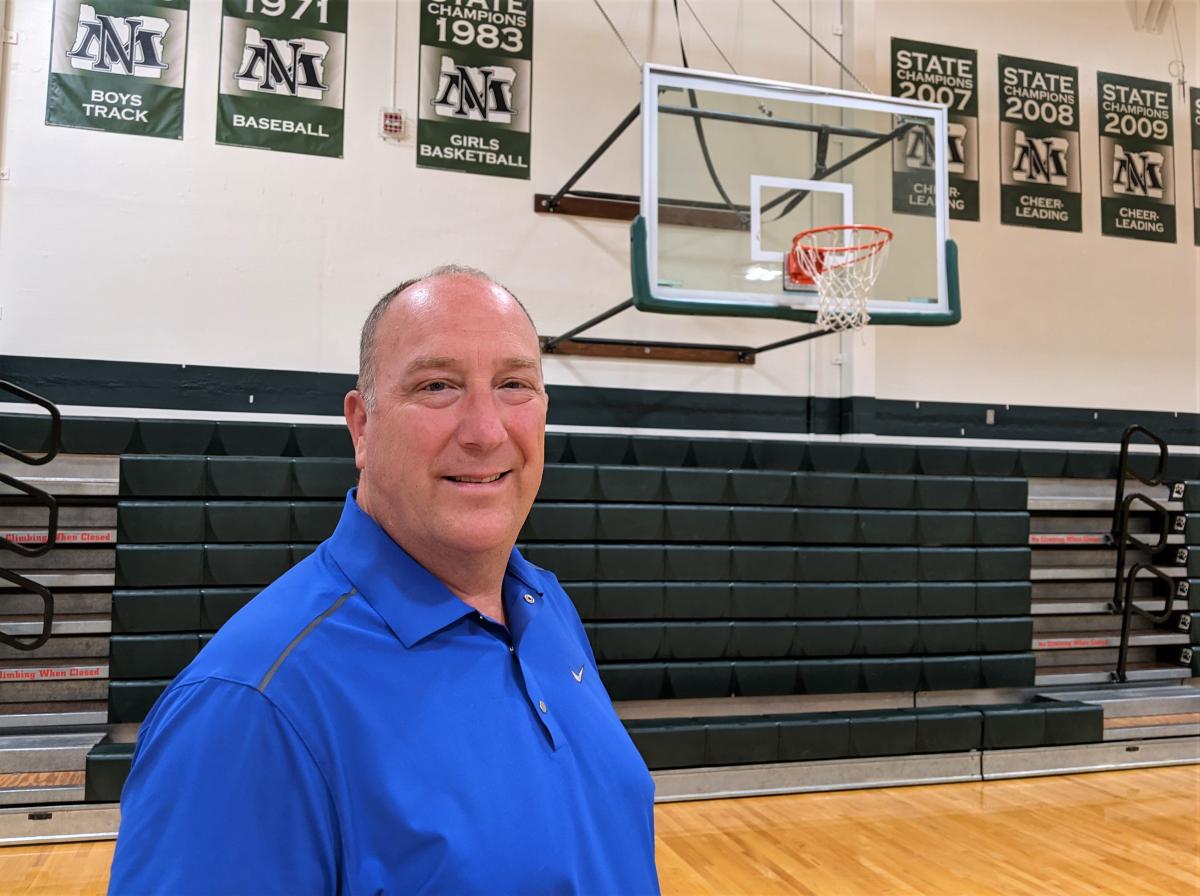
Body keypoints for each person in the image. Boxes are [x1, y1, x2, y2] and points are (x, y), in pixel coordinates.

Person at [108, 266, 661, 895]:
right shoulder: (248, 706)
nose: (485, 430)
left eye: (514, 384)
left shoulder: (544, 609)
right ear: (362, 426)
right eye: (437, 386)